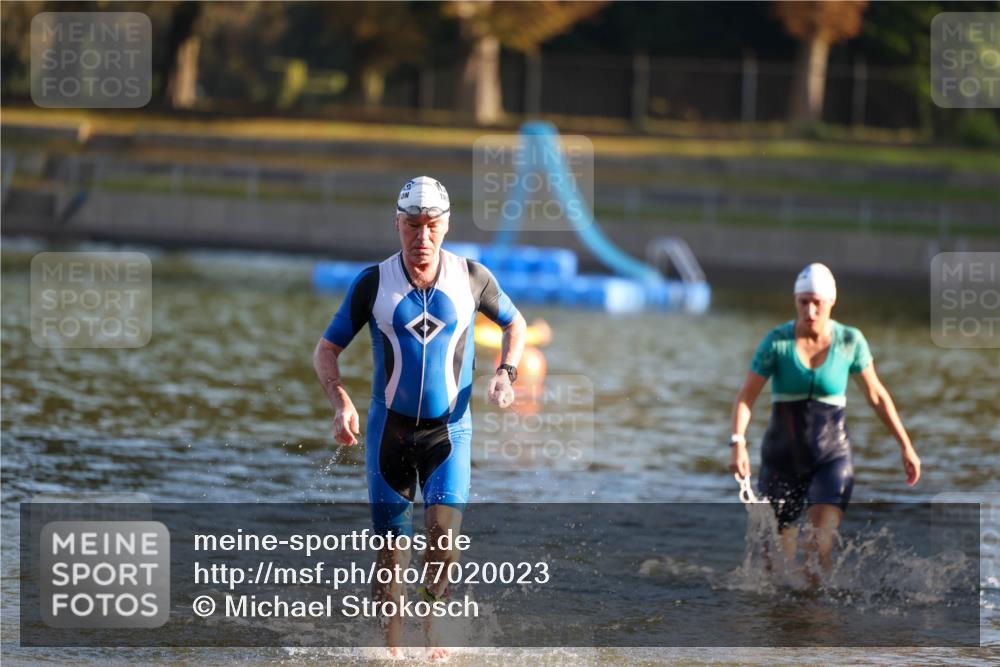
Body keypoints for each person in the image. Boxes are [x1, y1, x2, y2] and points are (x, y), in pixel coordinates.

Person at [313, 176, 526, 658]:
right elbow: (327, 350)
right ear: (397, 225)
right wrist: (340, 399)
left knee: (443, 543)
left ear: (446, 226)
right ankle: (389, 653)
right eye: (412, 226)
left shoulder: (473, 277)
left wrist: (506, 373)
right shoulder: (372, 283)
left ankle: (436, 646)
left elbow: (516, 323)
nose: (422, 238)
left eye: (431, 226)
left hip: (449, 431)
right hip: (388, 430)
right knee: (391, 557)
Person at [728, 263, 921, 577]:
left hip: (832, 457)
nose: (811, 310)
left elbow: (877, 395)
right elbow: (746, 397)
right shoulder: (777, 343)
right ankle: (786, 622)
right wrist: (737, 443)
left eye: (817, 302)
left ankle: (819, 622)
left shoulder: (849, 341)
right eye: (804, 301)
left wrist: (906, 446)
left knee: (821, 545)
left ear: (831, 302)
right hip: (781, 459)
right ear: (796, 302)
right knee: (775, 563)